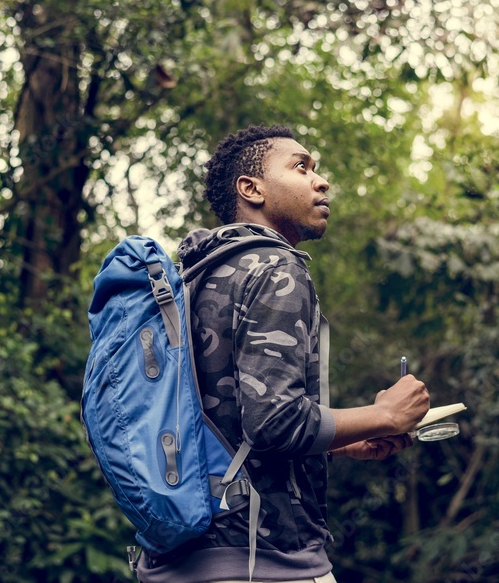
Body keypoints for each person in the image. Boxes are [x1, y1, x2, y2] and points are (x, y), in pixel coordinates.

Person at [135, 125, 430, 583]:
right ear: (251, 189)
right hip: (264, 561)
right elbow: (274, 421)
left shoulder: (191, 279)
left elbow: (225, 425)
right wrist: (385, 415)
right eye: (301, 166)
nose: (321, 180)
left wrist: (343, 441)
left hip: (179, 558)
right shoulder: (276, 267)